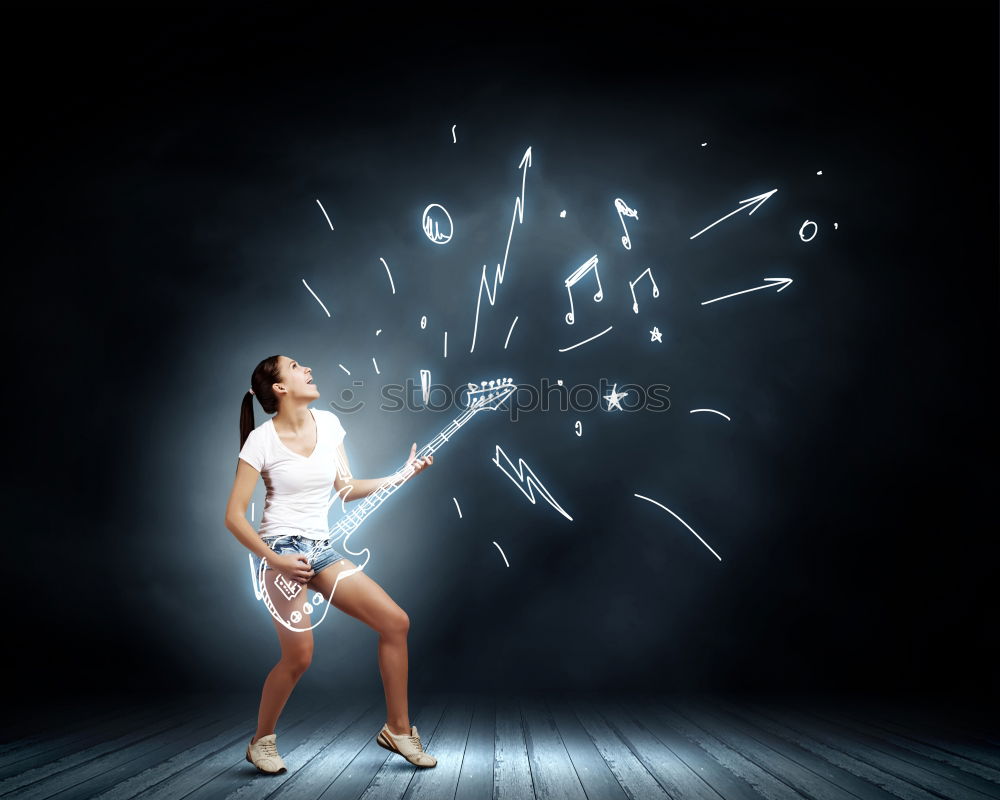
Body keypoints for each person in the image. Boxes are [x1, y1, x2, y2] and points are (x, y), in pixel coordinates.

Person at [224, 355, 437, 773]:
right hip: (280, 552)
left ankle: (398, 729)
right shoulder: (260, 441)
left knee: (395, 622)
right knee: (299, 656)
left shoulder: (329, 424)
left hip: (322, 550)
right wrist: (277, 560)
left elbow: (346, 487)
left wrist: (400, 475)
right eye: (296, 367)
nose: (307, 369)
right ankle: (260, 741)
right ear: (280, 388)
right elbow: (233, 515)